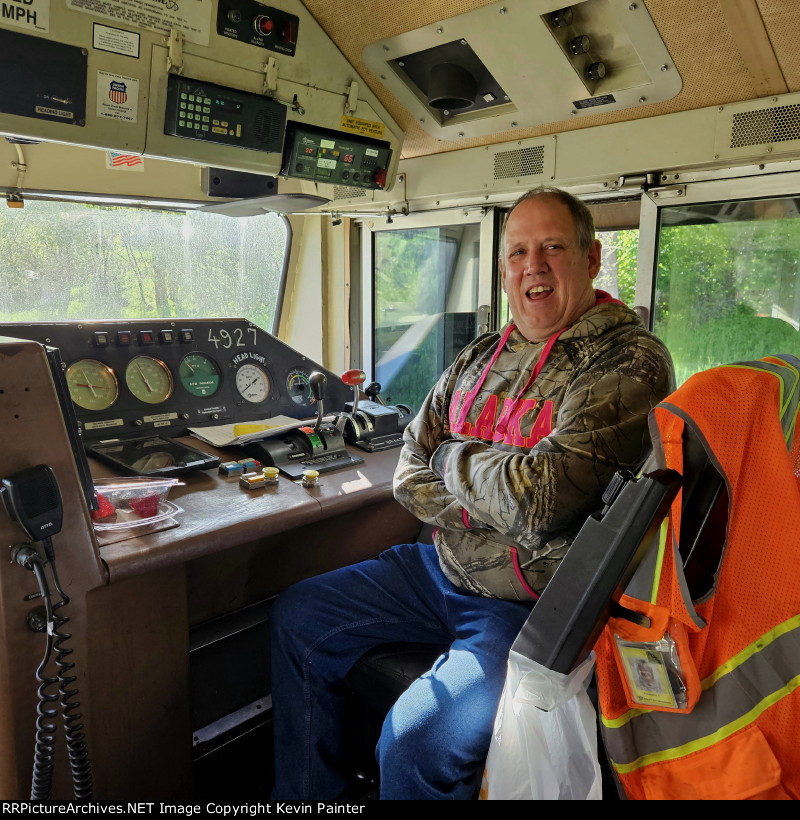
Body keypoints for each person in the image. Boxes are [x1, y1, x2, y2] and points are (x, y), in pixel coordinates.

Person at [270, 187, 675, 800]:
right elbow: (409, 471)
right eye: (517, 252)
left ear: (591, 259)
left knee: (414, 741)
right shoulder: (480, 355)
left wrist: (453, 454)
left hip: (528, 604)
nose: (532, 266)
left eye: (552, 247)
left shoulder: (628, 362)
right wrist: (494, 496)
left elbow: (540, 502)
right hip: (439, 567)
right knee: (300, 614)